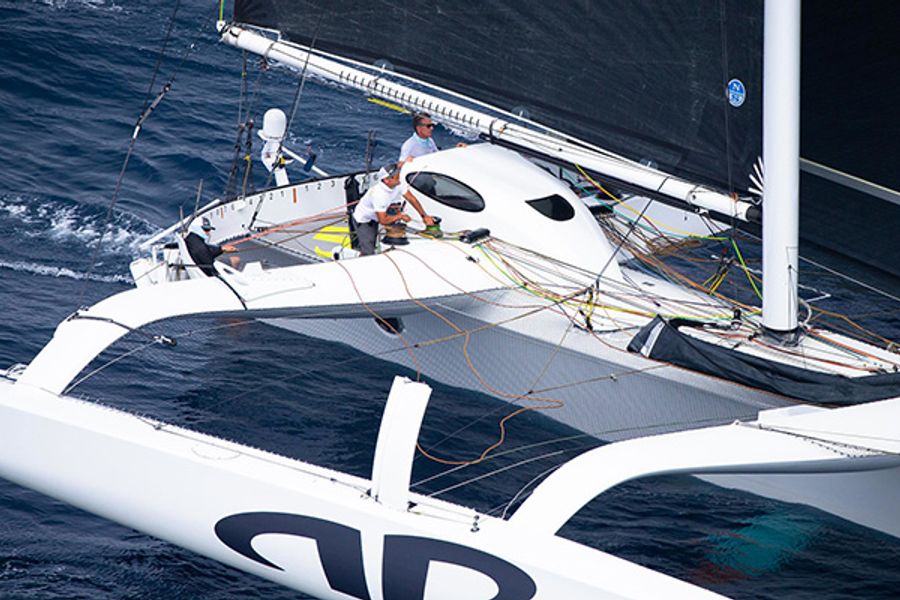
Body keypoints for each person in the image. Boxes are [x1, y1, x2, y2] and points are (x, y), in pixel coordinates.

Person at [351, 163, 435, 256]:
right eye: (396, 175)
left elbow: (411, 198)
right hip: (365, 220)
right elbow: (383, 220)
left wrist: (424, 216)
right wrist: (400, 216)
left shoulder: (398, 183)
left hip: (380, 213)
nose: (399, 177)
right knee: (369, 251)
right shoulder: (379, 195)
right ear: (387, 180)